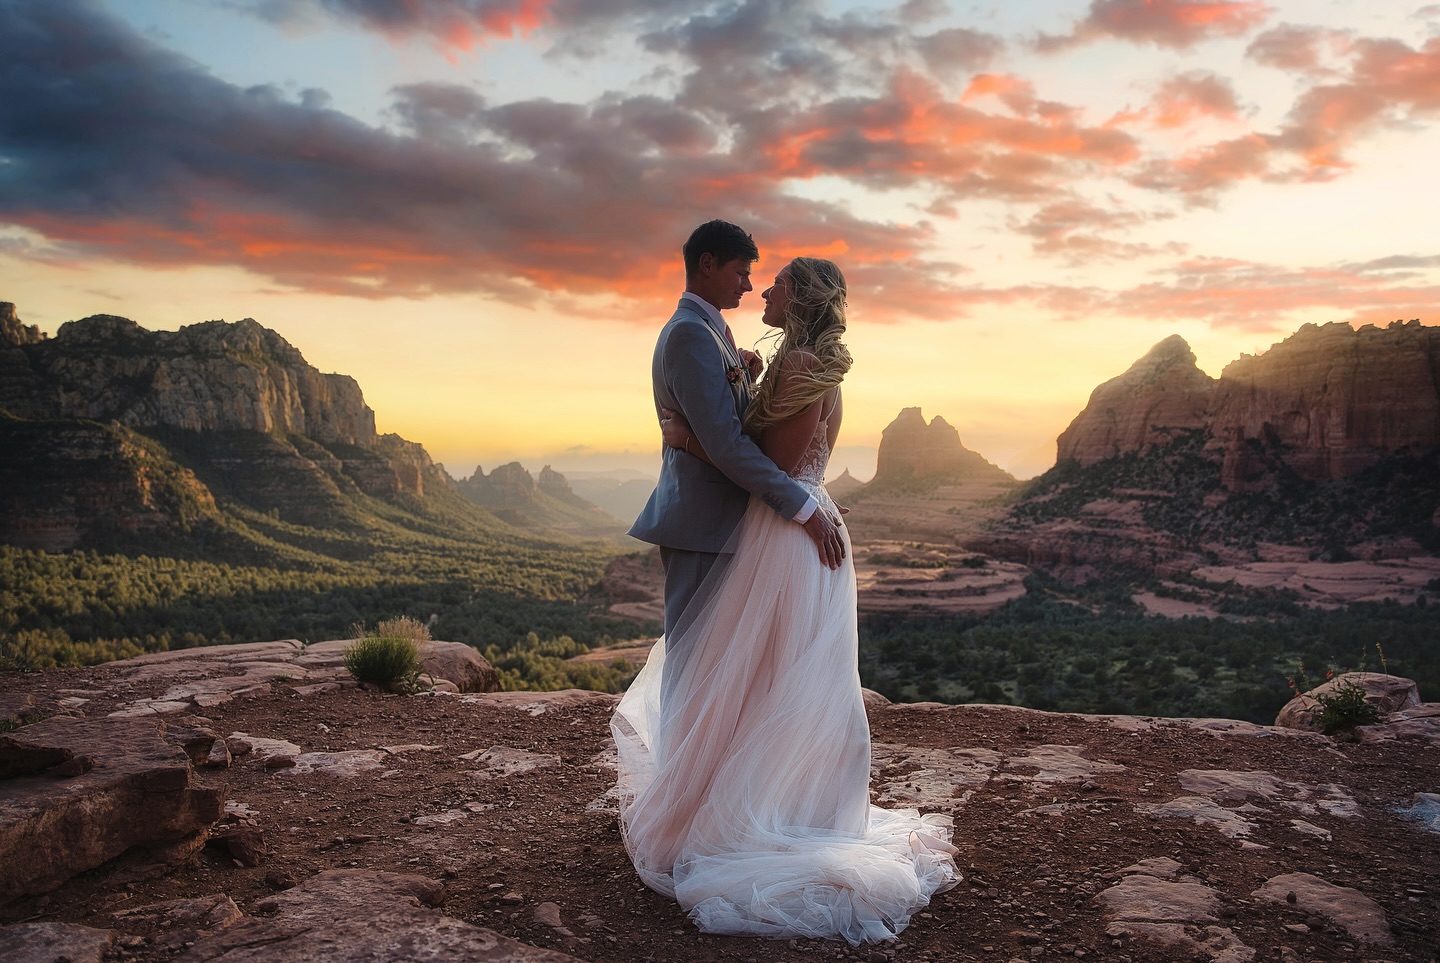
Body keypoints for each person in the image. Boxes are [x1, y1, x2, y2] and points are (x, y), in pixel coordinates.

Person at [612, 255, 959, 945]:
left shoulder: (800, 365)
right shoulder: (798, 362)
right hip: (797, 523)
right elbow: (784, 457)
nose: (763, 288)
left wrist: (692, 439)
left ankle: (769, 816)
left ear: (799, 298)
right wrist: (748, 385)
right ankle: (782, 804)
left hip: (787, 537)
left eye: (777, 283)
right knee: (774, 677)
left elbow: (773, 464)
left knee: (771, 680)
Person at [628, 220, 844, 705]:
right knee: (693, 666)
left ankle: (708, 756)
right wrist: (805, 504)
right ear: (708, 265)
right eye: (741, 272)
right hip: (703, 525)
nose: (750, 285)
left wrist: (739, 386)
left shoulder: (713, 333)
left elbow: (743, 437)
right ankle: (684, 757)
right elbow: (728, 445)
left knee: (725, 671)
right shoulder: (690, 334)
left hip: (737, 525)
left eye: (756, 276)